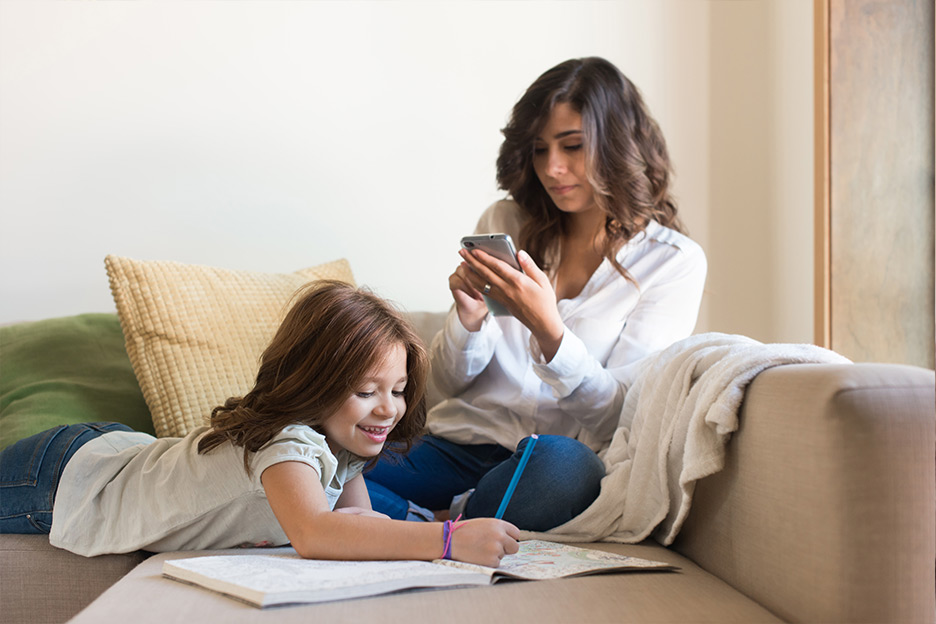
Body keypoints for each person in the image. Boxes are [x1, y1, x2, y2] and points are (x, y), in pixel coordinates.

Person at [365, 57, 707, 531]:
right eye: (540, 149)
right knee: (323, 463)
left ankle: (412, 524)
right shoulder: (504, 223)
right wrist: (467, 321)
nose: (553, 168)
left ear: (619, 145)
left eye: (572, 146)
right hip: (458, 445)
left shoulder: (672, 263)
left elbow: (618, 418)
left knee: (566, 468)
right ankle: (441, 524)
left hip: (547, 459)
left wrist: (550, 331)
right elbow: (445, 386)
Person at [0, 280, 519, 567]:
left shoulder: (344, 445)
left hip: (119, 450)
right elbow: (318, 533)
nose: (389, 408)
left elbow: (359, 527)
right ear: (313, 384)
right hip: (64, 476)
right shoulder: (287, 442)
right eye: (366, 392)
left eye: (399, 391)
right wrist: (447, 539)